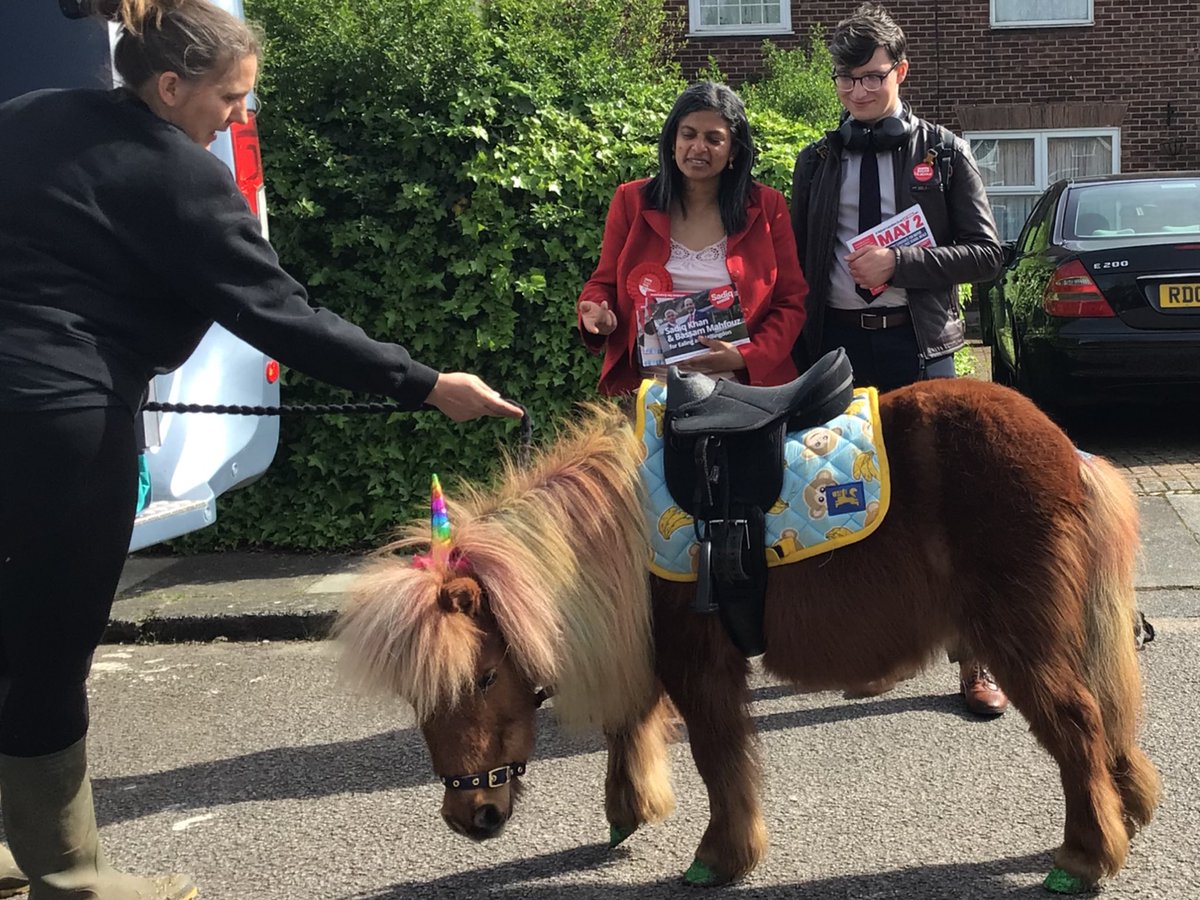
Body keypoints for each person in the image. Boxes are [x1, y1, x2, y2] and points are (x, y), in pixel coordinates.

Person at [0, 1, 521, 898]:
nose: (239, 117)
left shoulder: (24, 118)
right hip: (59, 425)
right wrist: (429, 384)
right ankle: (67, 877)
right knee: (49, 649)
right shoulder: (178, 174)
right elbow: (285, 317)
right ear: (171, 86)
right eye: (232, 98)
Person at [788, 4, 1007, 717]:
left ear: (900, 71)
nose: (858, 91)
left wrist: (903, 262)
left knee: (953, 504)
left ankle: (976, 662)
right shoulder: (816, 160)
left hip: (921, 345)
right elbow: (795, 263)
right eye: (847, 78)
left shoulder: (944, 152)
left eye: (872, 76)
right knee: (849, 502)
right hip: (839, 350)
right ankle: (876, 654)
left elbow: (987, 256)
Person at [577, 81, 808, 395]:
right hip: (649, 391)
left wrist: (744, 356)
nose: (698, 147)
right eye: (688, 135)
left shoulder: (767, 206)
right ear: (673, 140)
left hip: (743, 393)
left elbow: (790, 303)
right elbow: (603, 284)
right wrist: (598, 313)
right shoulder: (630, 200)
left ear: (734, 150)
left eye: (714, 139)